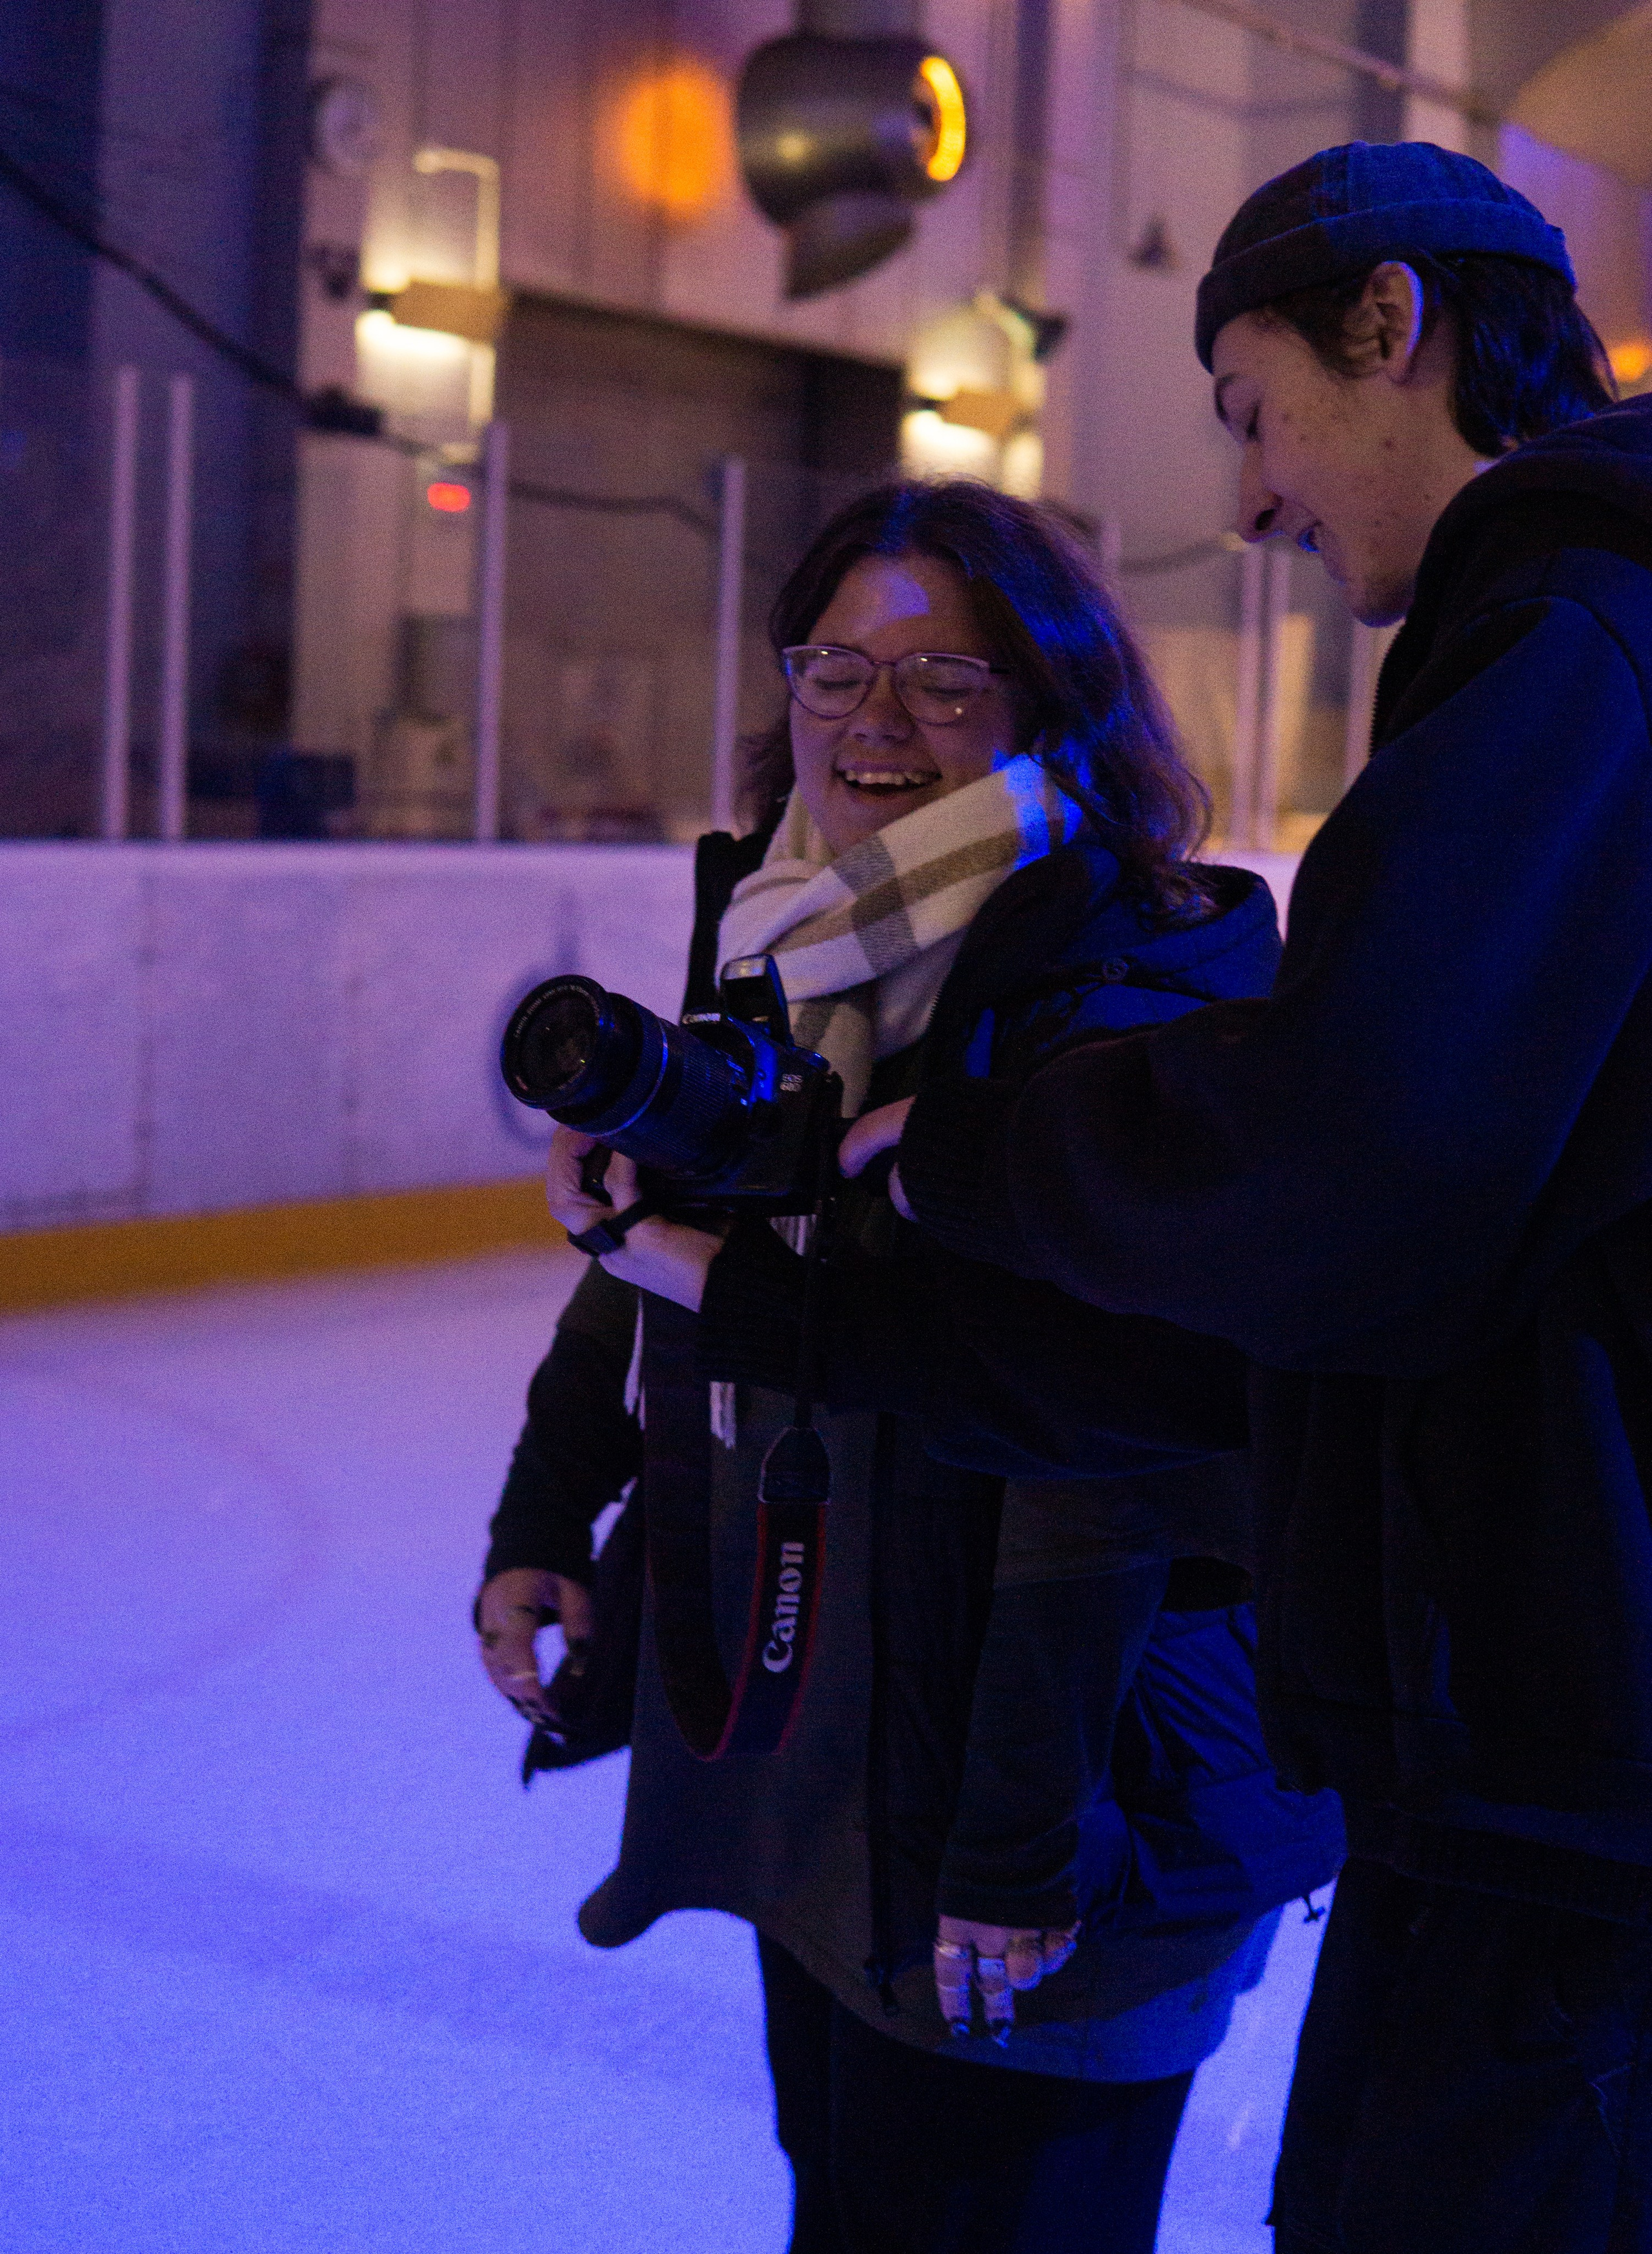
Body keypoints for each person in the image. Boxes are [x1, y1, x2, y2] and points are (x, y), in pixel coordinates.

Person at [845, 145, 1652, 2251]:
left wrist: (976, 1151)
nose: (1253, 496)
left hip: (1579, 1804)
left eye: (1252, 408)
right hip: (1528, 1780)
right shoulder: (1561, 638)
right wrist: (822, 1308)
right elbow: (1396, 1297)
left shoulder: (1581, 632)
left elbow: (1353, 1162)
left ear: (1393, 324)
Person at [476, 480, 1342, 2254]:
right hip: (839, 1752)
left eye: (946, 680)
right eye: (835, 667)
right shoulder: (789, 931)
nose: (876, 719)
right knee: (852, 2204)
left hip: (1059, 1795)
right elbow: (661, 1251)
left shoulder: (1132, 977)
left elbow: (1102, 1462)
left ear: (1050, 702)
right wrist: (547, 1512)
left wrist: (1017, 1847)